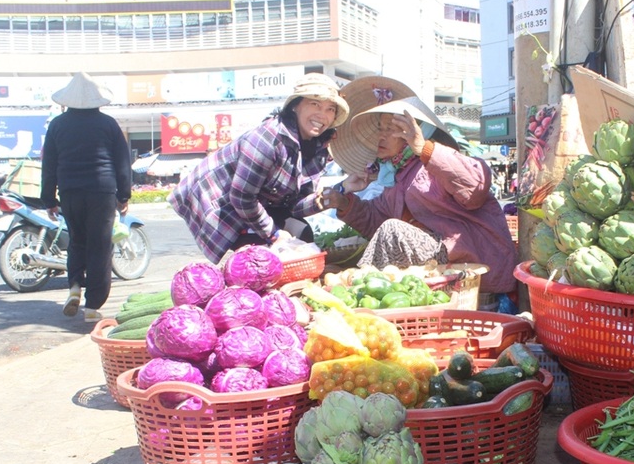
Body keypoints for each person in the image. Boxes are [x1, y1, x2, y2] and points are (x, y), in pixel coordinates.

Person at [322, 85, 517, 296]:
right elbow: (376, 220)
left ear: (417, 131)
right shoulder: (397, 176)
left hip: (471, 263)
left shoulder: (435, 161)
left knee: (393, 230)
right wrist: (344, 202)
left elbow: (474, 189)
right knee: (389, 229)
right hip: (437, 265)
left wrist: (423, 148)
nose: (381, 136)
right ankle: (370, 293)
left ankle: (364, 293)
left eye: (390, 129)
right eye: (380, 129)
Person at [169, 73, 349, 264]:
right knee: (259, 259)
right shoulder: (267, 139)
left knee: (303, 233)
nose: (322, 115)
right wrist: (274, 234)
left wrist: (341, 189)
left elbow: (294, 205)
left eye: (330, 109)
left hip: (260, 203)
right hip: (221, 200)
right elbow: (242, 198)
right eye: (315, 104)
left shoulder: (318, 149)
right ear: (296, 105)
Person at [41, 72, 133, 322]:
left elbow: (48, 164)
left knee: (78, 241)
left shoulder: (57, 125)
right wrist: (124, 195)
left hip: (70, 192)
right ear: (98, 101)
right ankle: (93, 305)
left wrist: (49, 199)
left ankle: (73, 287)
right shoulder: (108, 124)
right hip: (101, 192)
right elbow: (122, 163)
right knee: (100, 246)